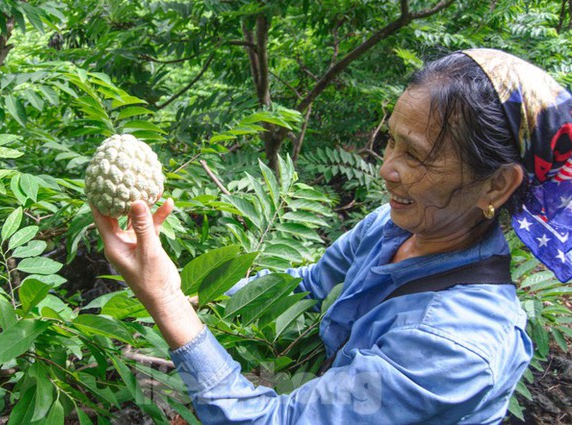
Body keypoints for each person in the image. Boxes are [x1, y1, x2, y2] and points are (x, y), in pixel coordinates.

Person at [91, 49, 572, 424]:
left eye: (417, 156)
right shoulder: (394, 225)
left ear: (496, 184)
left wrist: (166, 303)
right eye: (391, 140)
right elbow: (307, 283)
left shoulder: (455, 346)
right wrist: (197, 293)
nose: (386, 170)